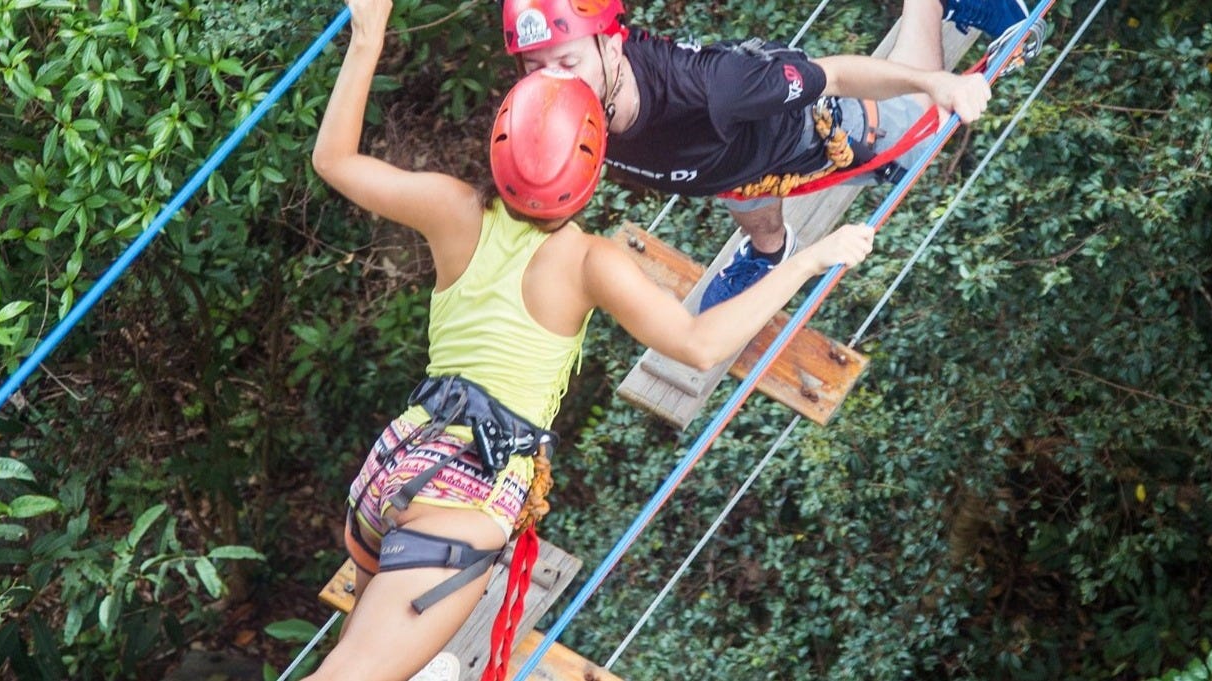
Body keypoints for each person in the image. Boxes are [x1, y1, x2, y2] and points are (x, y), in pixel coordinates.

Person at [301, 0, 876, 678]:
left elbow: (334, 160)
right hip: (466, 490)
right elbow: (697, 343)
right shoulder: (590, 262)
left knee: (357, 661)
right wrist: (812, 259)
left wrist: (368, 35)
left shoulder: (452, 208)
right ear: (595, 166)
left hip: (397, 457)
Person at [504, 0, 1037, 310]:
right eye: (535, 66)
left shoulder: (718, 90)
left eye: (569, 60)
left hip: (807, 129)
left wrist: (939, 84)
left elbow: (837, 74)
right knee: (731, 181)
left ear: (611, 45)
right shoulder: (540, 116)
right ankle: (769, 250)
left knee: (916, 137)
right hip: (732, 165)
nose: (554, 79)